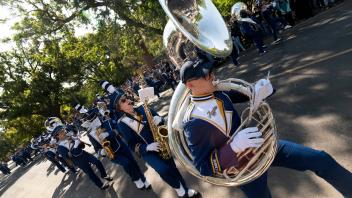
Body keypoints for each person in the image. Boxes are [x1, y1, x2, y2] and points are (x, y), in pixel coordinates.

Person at [179, 58, 352, 197]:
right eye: (206, 75)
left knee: (321, 159)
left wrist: (260, 88)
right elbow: (203, 167)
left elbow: (247, 92)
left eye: (211, 71)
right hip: (242, 170)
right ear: (190, 85)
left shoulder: (219, 92)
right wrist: (232, 148)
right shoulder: (192, 122)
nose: (212, 76)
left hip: (262, 146)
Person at [112, 92, 199, 198]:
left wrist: (160, 120)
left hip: (161, 142)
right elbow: (131, 144)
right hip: (148, 151)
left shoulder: (143, 108)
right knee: (163, 169)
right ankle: (179, 189)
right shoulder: (122, 123)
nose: (127, 100)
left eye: (126, 98)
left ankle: (186, 190)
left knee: (172, 167)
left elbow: (158, 117)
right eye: (123, 101)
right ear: (119, 108)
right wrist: (146, 147)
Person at [80, 106, 151, 190]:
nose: (94, 122)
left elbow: (119, 130)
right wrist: (101, 152)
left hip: (121, 145)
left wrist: (108, 134)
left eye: (94, 119)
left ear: (97, 116)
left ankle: (143, 178)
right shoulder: (90, 134)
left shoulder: (108, 121)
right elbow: (96, 148)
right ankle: (136, 179)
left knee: (133, 162)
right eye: (91, 121)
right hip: (112, 153)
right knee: (127, 164)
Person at [53, 125, 112, 190]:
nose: (64, 132)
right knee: (90, 172)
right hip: (78, 160)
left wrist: (80, 143)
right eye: (61, 132)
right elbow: (69, 156)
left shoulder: (69, 137)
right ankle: (101, 185)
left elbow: (82, 146)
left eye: (63, 130)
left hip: (83, 153)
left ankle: (104, 175)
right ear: (57, 136)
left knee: (97, 161)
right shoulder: (59, 147)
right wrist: (75, 145)